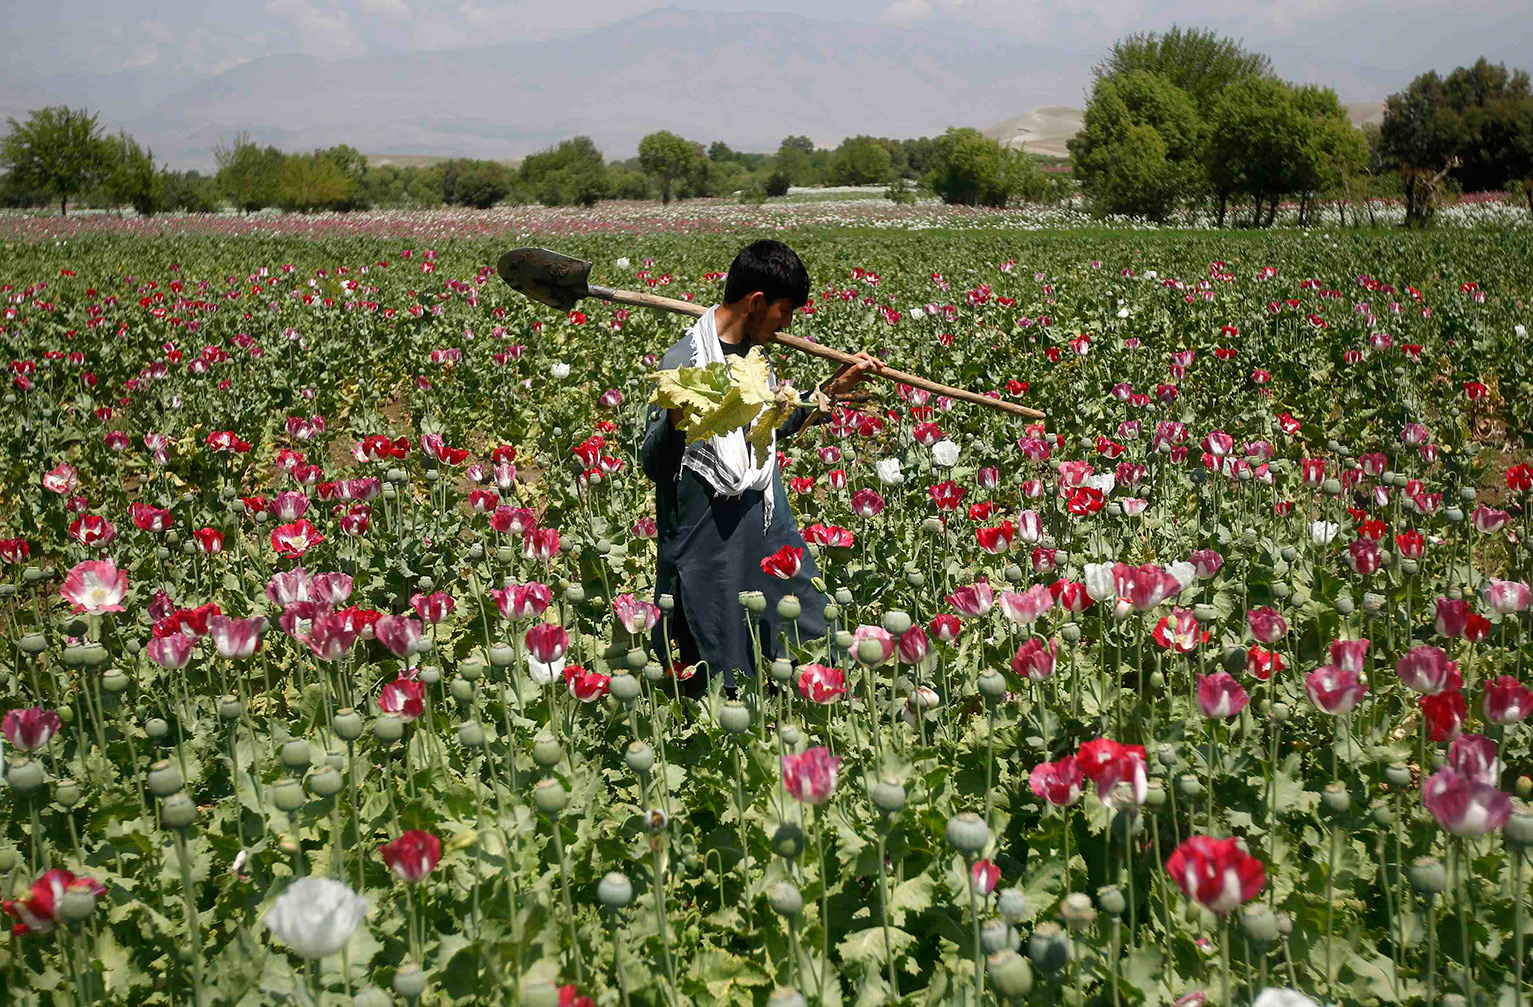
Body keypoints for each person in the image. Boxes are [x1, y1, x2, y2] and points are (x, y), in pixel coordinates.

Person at [639, 240, 881, 694]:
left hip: (766, 519)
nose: (787, 324)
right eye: (784, 311)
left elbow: (767, 424)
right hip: (709, 536)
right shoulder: (684, 364)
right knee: (722, 662)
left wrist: (833, 388)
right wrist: (676, 417)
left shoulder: (753, 359)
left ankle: (825, 706)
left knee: (810, 623)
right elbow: (653, 463)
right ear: (755, 303)